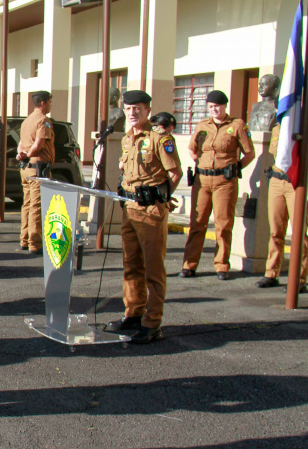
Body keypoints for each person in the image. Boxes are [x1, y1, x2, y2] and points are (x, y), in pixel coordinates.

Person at [106, 90, 182, 344]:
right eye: (128, 109)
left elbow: (175, 173)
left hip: (150, 211)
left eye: (137, 108)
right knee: (132, 265)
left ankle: (152, 323)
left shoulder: (160, 138)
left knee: (153, 268)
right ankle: (133, 314)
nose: (132, 113)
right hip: (129, 209)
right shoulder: (128, 139)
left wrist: (161, 197)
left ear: (148, 110)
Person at [180, 90, 256, 280]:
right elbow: (192, 149)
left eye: (218, 106)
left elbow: (249, 153)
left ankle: (221, 265)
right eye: (211, 107)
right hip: (202, 180)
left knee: (223, 224)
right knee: (197, 223)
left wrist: (236, 167)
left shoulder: (237, 126)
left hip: (224, 182)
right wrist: (201, 163)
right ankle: (189, 265)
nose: (214, 110)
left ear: (225, 106)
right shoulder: (202, 125)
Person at [256, 123, 308, 292]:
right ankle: (271, 273)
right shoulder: (279, 126)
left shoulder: (302, 123)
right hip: (277, 180)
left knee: (299, 232)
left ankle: (299, 278)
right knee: (275, 231)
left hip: (297, 181)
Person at [17, 91, 56, 254]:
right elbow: (38, 145)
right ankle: (35, 243)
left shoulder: (26, 121)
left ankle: (24, 239)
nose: (50, 105)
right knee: (36, 206)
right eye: (50, 102)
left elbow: (20, 144)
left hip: (26, 168)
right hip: (37, 168)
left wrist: (21, 155)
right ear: (43, 103)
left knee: (26, 204)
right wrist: (28, 154)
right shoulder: (43, 121)